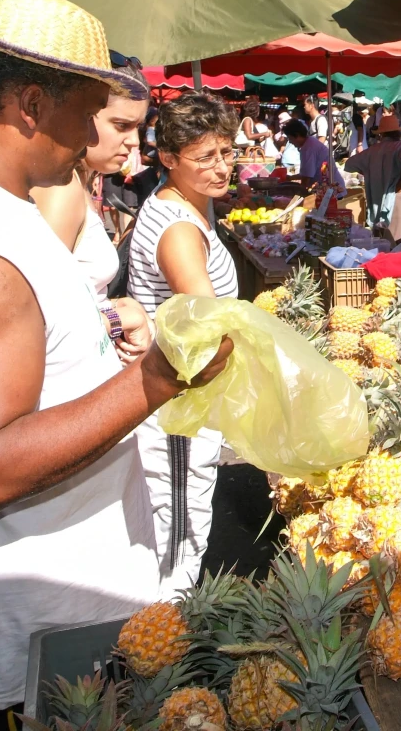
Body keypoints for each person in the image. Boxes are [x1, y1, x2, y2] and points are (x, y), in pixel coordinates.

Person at [0, 0, 232, 723]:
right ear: (32, 105)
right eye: (88, 108)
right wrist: (157, 379)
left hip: (72, 607)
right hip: (44, 629)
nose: (95, 132)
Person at [128, 92, 240, 594]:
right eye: (205, 157)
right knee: (178, 530)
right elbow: (206, 324)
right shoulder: (178, 230)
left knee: (184, 520)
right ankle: (164, 625)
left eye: (227, 152)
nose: (222, 167)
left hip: (187, 403)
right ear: (169, 158)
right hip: (177, 412)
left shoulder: (187, 207)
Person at [33, 52, 150, 315]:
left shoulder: (76, 183)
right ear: (84, 114)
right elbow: (41, 312)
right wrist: (116, 320)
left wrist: (113, 307)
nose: (134, 141)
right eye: (121, 125)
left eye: (138, 127)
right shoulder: (61, 191)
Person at [344, 114, 401, 241]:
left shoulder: (372, 150)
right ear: (398, 133)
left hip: (377, 200)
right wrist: (399, 185)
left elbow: (349, 164)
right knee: (398, 244)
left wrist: (368, 171)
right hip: (397, 198)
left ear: (381, 134)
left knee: (380, 244)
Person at [283, 118, 332, 190]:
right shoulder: (309, 143)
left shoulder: (309, 147)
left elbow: (306, 177)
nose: (290, 142)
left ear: (297, 135)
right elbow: (306, 173)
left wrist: (300, 192)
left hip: (328, 189)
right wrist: (290, 178)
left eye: (290, 138)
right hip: (324, 186)